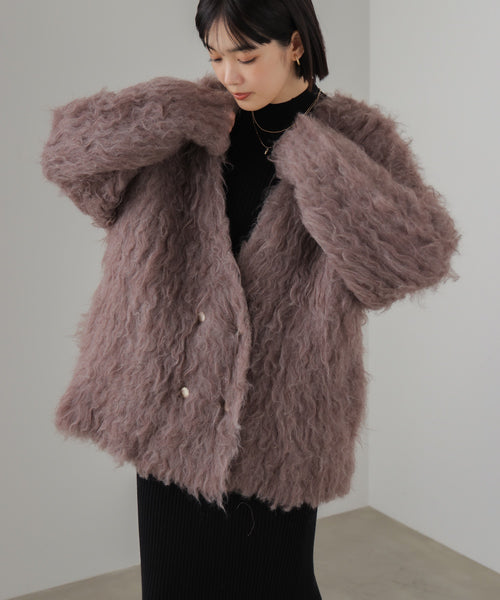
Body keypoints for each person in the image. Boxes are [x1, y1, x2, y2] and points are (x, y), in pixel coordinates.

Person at [39, 0, 461, 598]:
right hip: (170, 402)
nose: (228, 75)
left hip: (279, 418)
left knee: (276, 583)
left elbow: (412, 260)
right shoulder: (190, 123)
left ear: (295, 44)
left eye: (246, 55)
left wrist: (313, 155)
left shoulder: (356, 136)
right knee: (173, 585)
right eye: (215, 56)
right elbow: (67, 158)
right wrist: (171, 108)